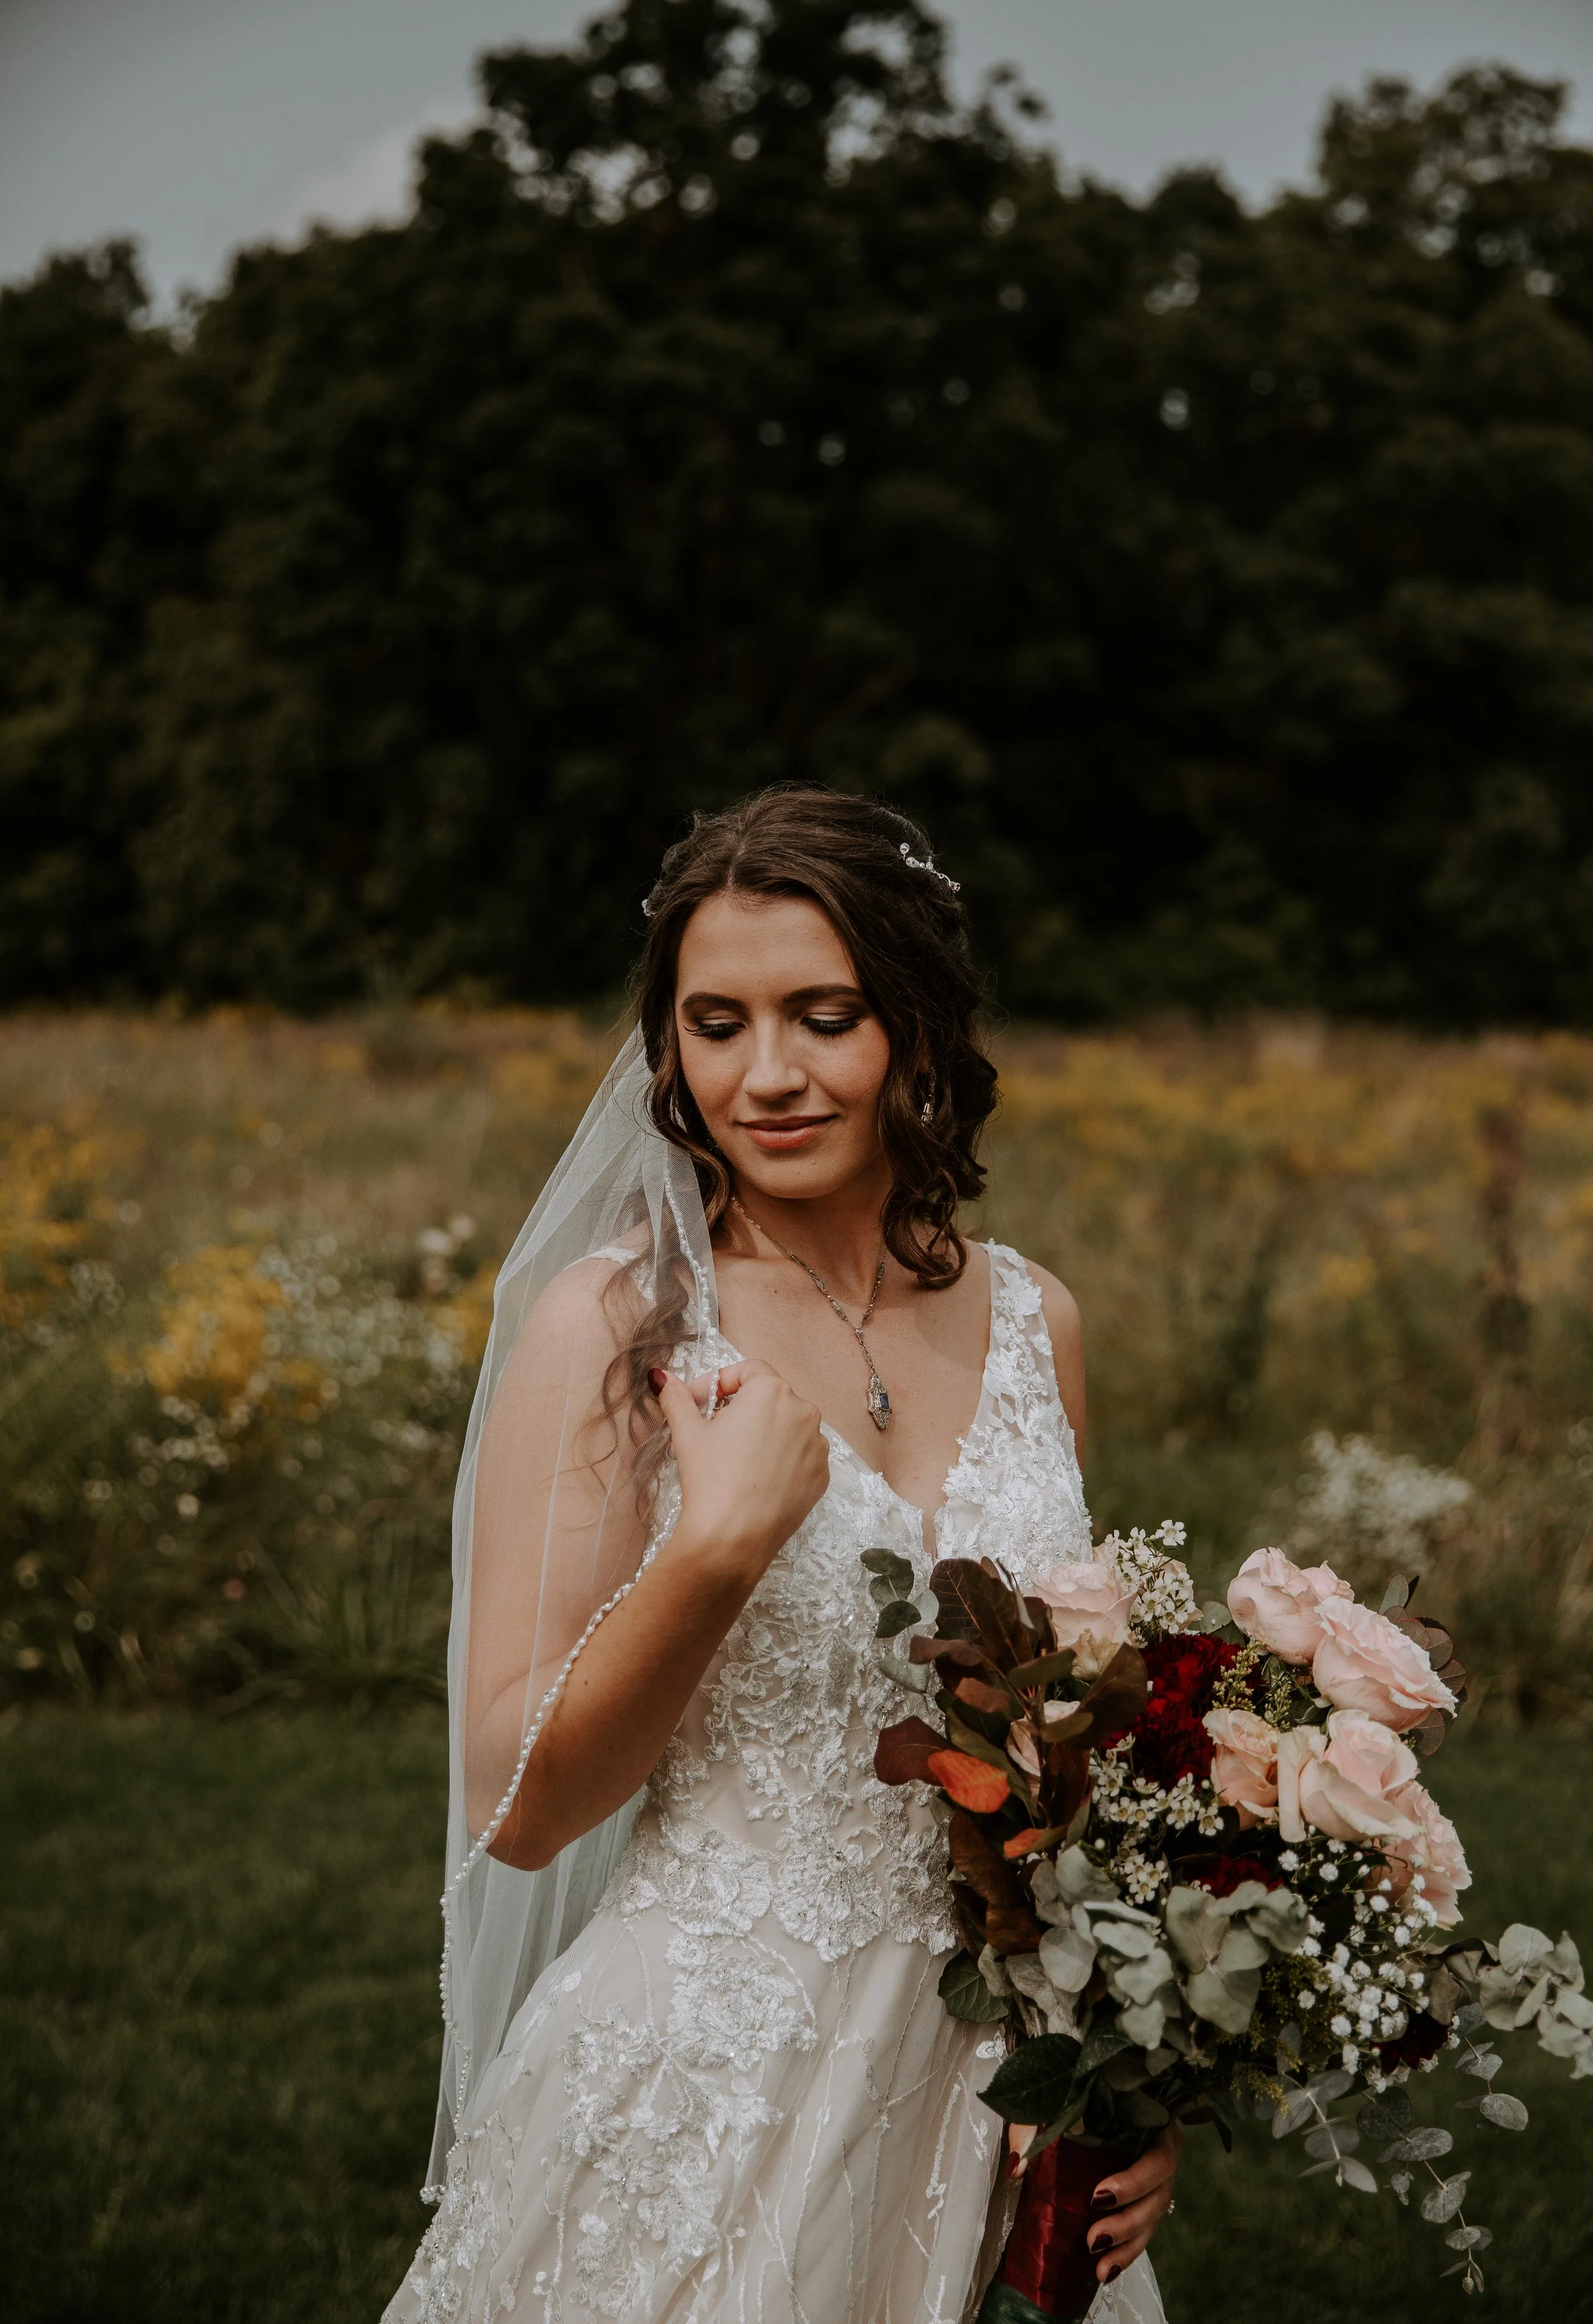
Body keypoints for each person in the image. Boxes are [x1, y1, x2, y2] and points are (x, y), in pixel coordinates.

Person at [386, 787, 1177, 2324]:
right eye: (717, 1024)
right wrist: (716, 1551)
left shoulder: (1034, 1321)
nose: (769, 1076)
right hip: (705, 2076)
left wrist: (1124, 2072)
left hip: (989, 2089)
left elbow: (1074, 1750)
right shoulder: (617, 1331)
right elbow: (517, 1806)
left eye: (824, 1017)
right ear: (665, 1050)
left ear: (918, 1031)